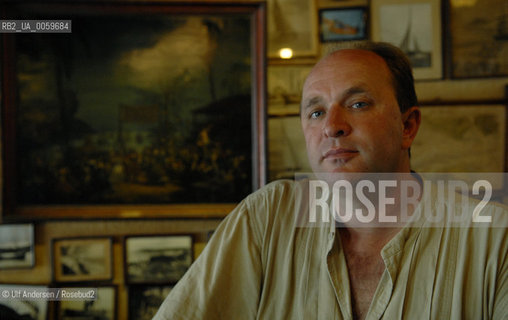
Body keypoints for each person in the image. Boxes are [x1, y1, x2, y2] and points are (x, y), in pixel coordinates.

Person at [153, 42, 508, 319]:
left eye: (358, 104)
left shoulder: (495, 239)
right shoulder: (267, 217)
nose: (331, 126)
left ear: (408, 126)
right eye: (317, 111)